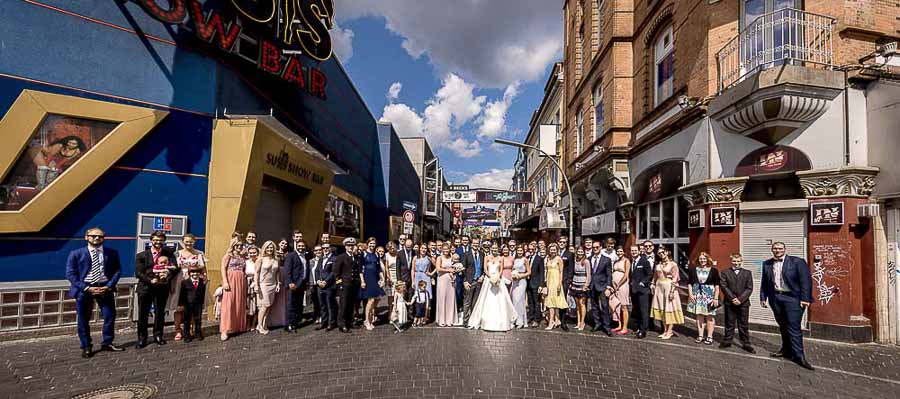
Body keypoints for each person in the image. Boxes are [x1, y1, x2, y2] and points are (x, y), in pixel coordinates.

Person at [65, 227, 124, 358]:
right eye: (93, 236)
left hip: (105, 288)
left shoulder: (111, 253)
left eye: (100, 236)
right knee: (83, 319)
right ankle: (86, 345)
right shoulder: (76, 253)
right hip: (85, 289)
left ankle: (107, 342)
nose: (97, 238)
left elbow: (117, 270)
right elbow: (70, 274)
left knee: (109, 316)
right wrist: (86, 288)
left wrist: (109, 286)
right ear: (87, 237)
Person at [761, 242, 814, 370]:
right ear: (771, 250)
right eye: (775, 248)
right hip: (776, 298)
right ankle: (785, 350)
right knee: (783, 325)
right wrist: (763, 297)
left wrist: (805, 298)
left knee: (794, 327)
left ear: (785, 249)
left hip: (793, 299)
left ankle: (799, 356)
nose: (777, 250)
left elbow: (805, 281)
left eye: (780, 248)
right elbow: (765, 282)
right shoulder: (767, 263)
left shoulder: (797, 262)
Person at [134, 231, 178, 348]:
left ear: (164, 241)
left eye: (161, 240)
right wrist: (150, 280)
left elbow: (175, 269)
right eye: (155, 240)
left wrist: (167, 275)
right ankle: (142, 338)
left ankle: (158, 335)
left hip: (162, 288)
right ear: (151, 240)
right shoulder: (142, 255)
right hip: (145, 288)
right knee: (143, 314)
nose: (158, 242)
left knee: (160, 313)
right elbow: (138, 273)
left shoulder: (169, 254)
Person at [467, 244, 517, 331]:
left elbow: (501, 269)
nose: (494, 249)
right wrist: (490, 276)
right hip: (488, 279)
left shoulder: (501, 258)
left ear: (498, 249)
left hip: (498, 280)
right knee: (486, 299)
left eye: (496, 248)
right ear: (491, 249)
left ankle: (502, 321)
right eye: (493, 248)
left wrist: (497, 277)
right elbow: (485, 269)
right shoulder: (487, 257)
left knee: (500, 299)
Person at [172, 234, 207, 342]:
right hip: (180, 282)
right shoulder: (177, 254)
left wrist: (205, 279)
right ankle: (178, 330)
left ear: (194, 242)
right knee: (179, 308)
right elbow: (173, 269)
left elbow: (204, 269)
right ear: (183, 241)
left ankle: (192, 329)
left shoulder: (199, 253)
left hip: (194, 282)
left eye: (191, 241)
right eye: (186, 241)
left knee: (193, 307)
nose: (188, 244)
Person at [720, 253, 755, 353]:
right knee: (729, 323)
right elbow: (724, 286)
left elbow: (749, 288)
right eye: (734, 261)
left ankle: (746, 343)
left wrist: (740, 299)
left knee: (743, 324)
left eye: (738, 261)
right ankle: (727, 341)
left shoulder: (747, 273)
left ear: (741, 261)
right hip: (729, 302)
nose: (736, 263)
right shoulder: (725, 272)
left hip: (743, 303)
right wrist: (732, 298)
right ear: (731, 261)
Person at [687, 252, 720, 345]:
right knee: (699, 315)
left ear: (708, 259)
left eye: (704, 259)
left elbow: (717, 286)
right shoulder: (693, 270)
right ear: (698, 260)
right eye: (701, 259)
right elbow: (689, 283)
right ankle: (700, 335)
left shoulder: (714, 270)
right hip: (697, 295)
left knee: (710, 316)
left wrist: (716, 298)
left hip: (709, 296)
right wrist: (690, 294)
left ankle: (709, 336)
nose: (702, 260)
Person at [650, 246, 683, 339]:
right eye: (659, 253)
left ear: (667, 252)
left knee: (669, 309)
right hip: (659, 288)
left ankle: (670, 331)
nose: (661, 254)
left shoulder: (673, 264)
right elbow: (655, 276)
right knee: (662, 309)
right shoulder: (658, 264)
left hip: (668, 287)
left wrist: (672, 291)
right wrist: (652, 283)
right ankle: (665, 330)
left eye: (663, 252)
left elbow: (675, 278)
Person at [220, 238, 248, 341]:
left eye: (241, 245)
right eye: (237, 245)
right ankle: (224, 329)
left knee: (238, 303)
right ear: (233, 246)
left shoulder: (243, 256)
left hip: (241, 280)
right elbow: (223, 268)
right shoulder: (228, 255)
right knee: (228, 304)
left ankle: (236, 326)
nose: (239, 247)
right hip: (230, 279)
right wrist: (225, 281)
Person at [334, 237, 363, 333]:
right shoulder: (341, 257)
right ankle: (342, 325)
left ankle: (350, 322)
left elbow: (357, 270)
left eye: (352, 245)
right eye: (348, 245)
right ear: (345, 246)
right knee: (343, 305)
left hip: (353, 285)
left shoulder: (356, 257)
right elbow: (336, 273)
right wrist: (340, 285)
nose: (350, 247)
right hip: (345, 285)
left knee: (351, 305)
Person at [254, 241, 281, 335]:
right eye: (268, 247)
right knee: (265, 305)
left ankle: (264, 323)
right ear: (264, 248)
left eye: (271, 247)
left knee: (269, 306)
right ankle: (259, 326)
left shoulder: (276, 259)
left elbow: (277, 272)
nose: (270, 249)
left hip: (273, 284)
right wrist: (256, 285)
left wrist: (278, 283)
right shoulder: (260, 259)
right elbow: (256, 273)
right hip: (263, 285)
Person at [359, 239, 386, 330]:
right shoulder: (363, 254)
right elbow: (360, 269)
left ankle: (369, 319)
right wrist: (362, 281)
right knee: (370, 301)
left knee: (374, 300)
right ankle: (367, 320)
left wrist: (382, 279)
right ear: (367, 244)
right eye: (370, 243)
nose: (372, 245)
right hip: (367, 278)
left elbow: (379, 269)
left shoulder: (376, 254)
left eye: (374, 243)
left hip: (375, 279)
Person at [283, 238, 308, 332]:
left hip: (302, 284)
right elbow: (287, 271)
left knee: (298, 304)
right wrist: (290, 282)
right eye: (299, 246)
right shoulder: (291, 255)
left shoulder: (305, 256)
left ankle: (295, 322)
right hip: (293, 284)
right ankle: (289, 325)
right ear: (296, 246)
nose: (301, 247)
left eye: (303, 246)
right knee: (291, 305)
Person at [588, 240, 613, 336]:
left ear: (601, 248)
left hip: (602, 286)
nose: (595, 249)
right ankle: (597, 323)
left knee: (605, 307)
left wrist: (608, 287)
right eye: (593, 248)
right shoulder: (589, 258)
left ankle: (607, 326)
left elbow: (609, 275)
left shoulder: (606, 259)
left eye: (597, 247)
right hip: (592, 286)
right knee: (594, 306)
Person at [311, 244, 337, 330]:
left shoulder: (334, 258)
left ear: (330, 248)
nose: (325, 249)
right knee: (322, 305)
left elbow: (333, 273)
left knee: (330, 305)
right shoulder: (321, 258)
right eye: (324, 248)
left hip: (329, 286)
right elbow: (317, 271)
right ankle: (324, 323)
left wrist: (326, 282)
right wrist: (318, 281)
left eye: (327, 248)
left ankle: (331, 323)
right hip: (320, 286)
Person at [543, 243, 568, 330]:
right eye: (551, 249)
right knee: (552, 301)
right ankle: (557, 320)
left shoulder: (559, 259)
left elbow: (561, 272)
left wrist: (559, 283)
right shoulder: (548, 258)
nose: (552, 251)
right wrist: (545, 283)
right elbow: (546, 271)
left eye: (554, 249)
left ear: (556, 250)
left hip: (556, 281)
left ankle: (551, 322)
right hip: (549, 282)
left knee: (552, 303)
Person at [629, 245, 653, 339]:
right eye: (632, 250)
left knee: (644, 311)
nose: (634, 252)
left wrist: (643, 282)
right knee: (637, 310)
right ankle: (639, 328)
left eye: (635, 250)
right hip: (634, 290)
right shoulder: (631, 261)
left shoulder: (644, 261)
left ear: (639, 251)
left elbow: (649, 274)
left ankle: (643, 331)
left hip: (643, 291)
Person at [178, 266, 206, 343]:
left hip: (198, 303)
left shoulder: (202, 281)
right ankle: (187, 335)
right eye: (193, 272)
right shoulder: (185, 282)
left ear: (199, 273)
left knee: (198, 319)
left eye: (197, 272)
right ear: (189, 273)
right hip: (188, 304)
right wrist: (181, 304)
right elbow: (182, 294)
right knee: (187, 319)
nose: (195, 274)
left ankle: (198, 333)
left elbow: (203, 293)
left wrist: (202, 303)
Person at [609, 247, 631, 335]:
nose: (619, 252)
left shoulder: (626, 261)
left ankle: (625, 327)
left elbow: (626, 275)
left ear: (624, 252)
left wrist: (618, 285)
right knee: (617, 305)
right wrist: (614, 285)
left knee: (623, 306)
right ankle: (619, 325)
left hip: (622, 285)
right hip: (615, 286)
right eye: (618, 251)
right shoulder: (616, 261)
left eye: (621, 251)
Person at [434, 245, 457, 327]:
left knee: (450, 299)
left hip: (451, 280)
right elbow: (438, 269)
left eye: (447, 249)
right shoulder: (439, 258)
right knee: (442, 298)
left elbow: (454, 267)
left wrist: (453, 272)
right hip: (442, 280)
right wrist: (448, 270)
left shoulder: (451, 257)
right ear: (442, 250)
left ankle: (449, 320)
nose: (446, 250)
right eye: (444, 249)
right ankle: (442, 320)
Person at [462, 240, 484, 324]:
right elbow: (463, 269)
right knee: (467, 302)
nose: (476, 244)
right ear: (471, 244)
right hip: (469, 281)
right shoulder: (466, 254)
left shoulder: (482, 254)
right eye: (474, 243)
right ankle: (466, 321)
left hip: (478, 281)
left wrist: (482, 276)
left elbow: (483, 268)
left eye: (477, 243)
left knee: (475, 302)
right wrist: (465, 281)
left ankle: (473, 320)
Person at [411, 245, 435, 324]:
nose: (423, 250)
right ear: (419, 249)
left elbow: (437, 266)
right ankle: (418, 316)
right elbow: (412, 270)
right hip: (417, 277)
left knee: (427, 297)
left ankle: (426, 317)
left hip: (425, 277)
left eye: (425, 248)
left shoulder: (428, 258)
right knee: (418, 297)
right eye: (422, 248)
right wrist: (413, 281)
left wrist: (431, 273)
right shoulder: (415, 257)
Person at [570, 248, 591, 331]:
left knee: (582, 304)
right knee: (577, 305)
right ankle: (578, 322)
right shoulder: (575, 260)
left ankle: (582, 322)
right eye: (578, 251)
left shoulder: (586, 261)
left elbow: (589, 274)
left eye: (581, 251)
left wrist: (586, 285)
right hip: (575, 283)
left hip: (582, 284)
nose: (580, 253)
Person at [510, 246, 531, 329]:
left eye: (521, 250)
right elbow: (512, 269)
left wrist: (521, 276)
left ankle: (521, 321)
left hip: (522, 281)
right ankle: (514, 319)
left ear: (523, 251)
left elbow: (529, 272)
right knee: (514, 300)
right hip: (515, 281)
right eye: (518, 250)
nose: (519, 252)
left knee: (520, 301)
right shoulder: (514, 259)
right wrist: (513, 274)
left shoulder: (525, 259)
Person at [526, 244, 545, 328]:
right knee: (530, 301)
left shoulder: (539, 259)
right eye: (529, 249)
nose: (530, 250)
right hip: (528, 283)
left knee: (536, 302)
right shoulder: (527, 258)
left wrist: (541, 285)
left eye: (532, 249)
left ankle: (536, 319)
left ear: (535, 249)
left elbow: (542, 272)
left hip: (536, 283)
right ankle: (531, 316)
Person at [557, 237, 574, 331]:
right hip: (554, 280)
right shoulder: (554, 252)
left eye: (564, 242)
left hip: (564, 281)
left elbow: (571, 268)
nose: (562, 243)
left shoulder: (570, 254)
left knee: (563, 301)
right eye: (560, 242)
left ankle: (563, 321)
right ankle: (556, 319)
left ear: (566, 244)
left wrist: (568, 281)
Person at [244, 246, 260, 330]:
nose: (252, 254)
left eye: (254, 252)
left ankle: (254, 324)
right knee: (248, 304)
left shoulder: (259, 262)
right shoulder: (245, 262)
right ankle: (248, 324)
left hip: (257, 284)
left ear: (257, 253)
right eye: (250, 253)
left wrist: (255, 283)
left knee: (256, 304)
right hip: (247, 284)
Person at [383, 243, 397, 322]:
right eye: (390, 248)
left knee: (396, 297)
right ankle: (390, 315)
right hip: (391, 278)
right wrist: (388, 277)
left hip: (397, 277)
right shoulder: (387, 255)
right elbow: (386, 267)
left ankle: (395, 315)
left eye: (393, 248)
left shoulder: (397, 254)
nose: (392, 249)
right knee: (390, 298)